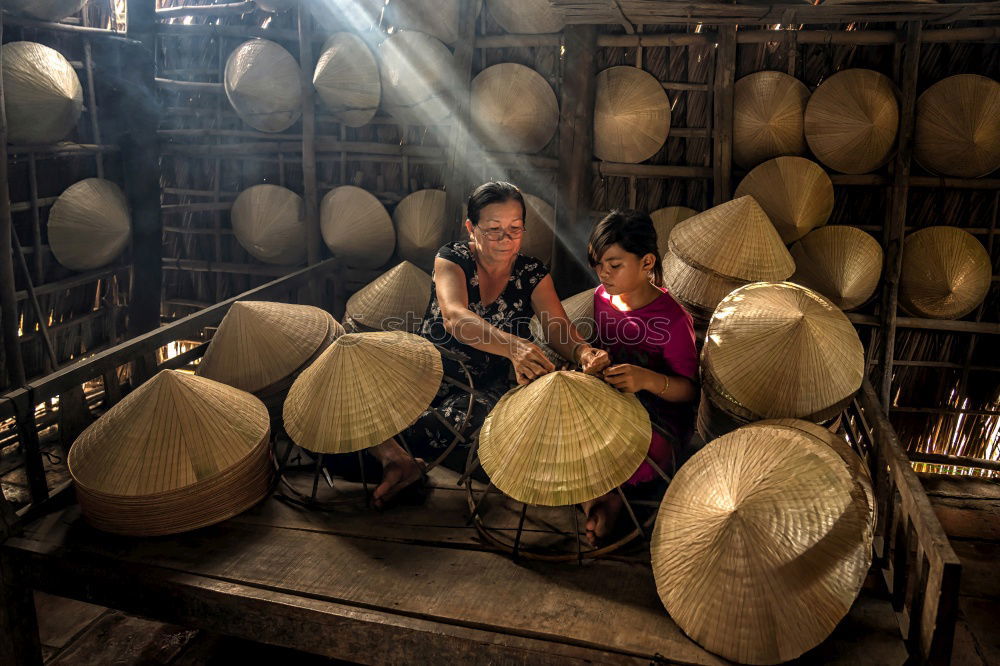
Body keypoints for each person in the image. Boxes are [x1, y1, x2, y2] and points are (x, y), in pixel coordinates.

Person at [368, 182, 610, 507]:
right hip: (423, 372)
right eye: (493, 229)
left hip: (480, 390)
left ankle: (393, 456)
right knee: (352, 401)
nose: (505, 239)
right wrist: (515, 347)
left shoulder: (532, 273)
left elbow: (558, 329)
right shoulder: (452, 258)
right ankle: (394, 456)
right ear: (471, 228)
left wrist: (583, 352)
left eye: (515, 228)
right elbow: (455, 317)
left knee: (457, 426)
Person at [582, 209, 698, 545]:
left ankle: (607, 499)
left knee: (620, 455)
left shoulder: (674, 320)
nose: (603, 273)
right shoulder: (601, 298)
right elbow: (605, 350)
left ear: (647, 263)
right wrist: (596, 361)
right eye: (597, 263)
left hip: (661, 419)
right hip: (613, 404)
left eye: (614, 265)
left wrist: (647, 380)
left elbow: (689, 392)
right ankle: (602, 498)